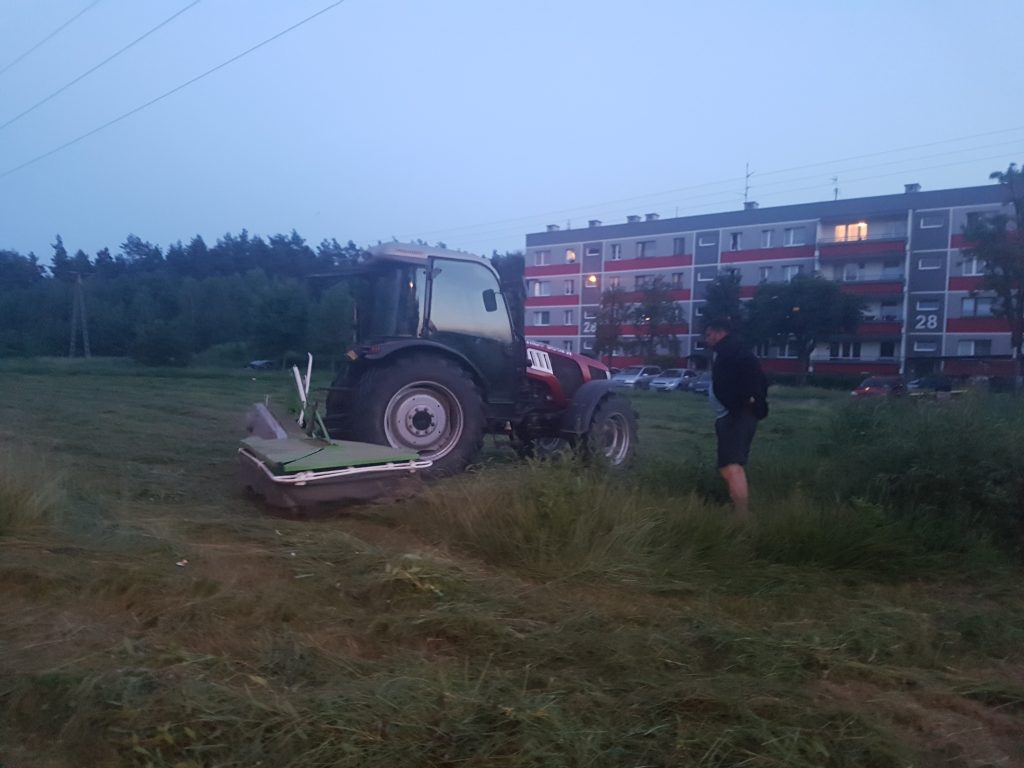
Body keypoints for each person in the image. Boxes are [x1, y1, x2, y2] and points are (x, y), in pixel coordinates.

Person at [703, 318, 765, 518]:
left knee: (731, 465)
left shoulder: (733, 351)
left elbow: (756, 377)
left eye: (708, 334)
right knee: (727, 466)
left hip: (736, 415)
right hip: (732, 415)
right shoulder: (729, 350)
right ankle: (737, 508)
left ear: (719, 332)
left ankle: (742, 515)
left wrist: (744, 402)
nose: (706, 339)